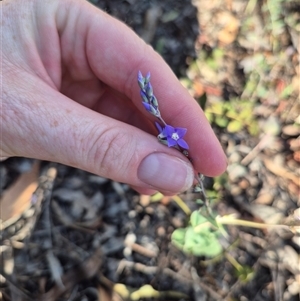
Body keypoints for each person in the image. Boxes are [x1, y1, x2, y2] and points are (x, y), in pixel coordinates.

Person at [1, 0, 227, 196]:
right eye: (174, 135)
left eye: (175, 136)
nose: (175, 134)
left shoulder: (175, 136)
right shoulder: (171, 135)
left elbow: (174, 136)